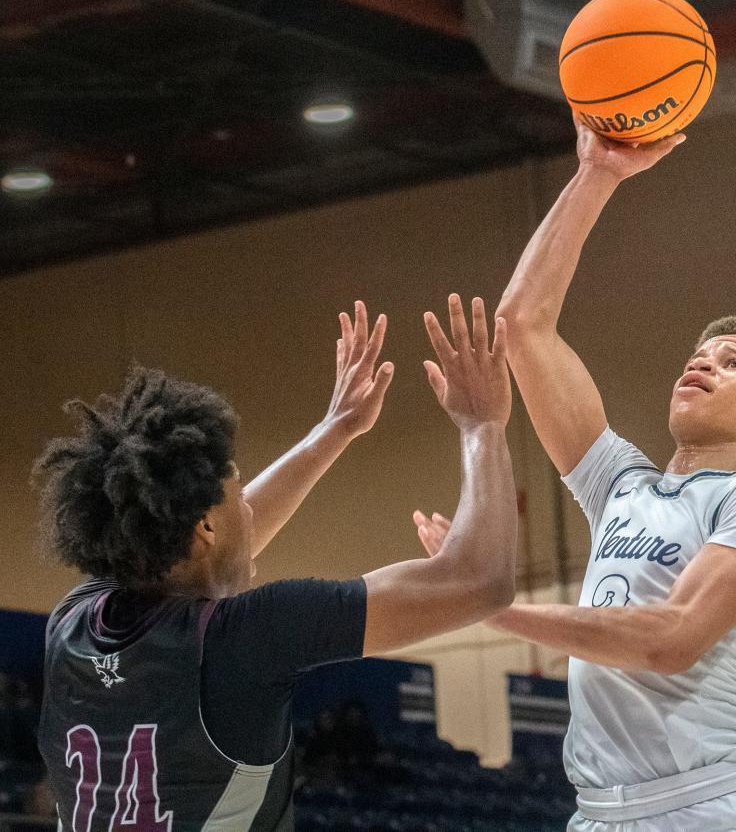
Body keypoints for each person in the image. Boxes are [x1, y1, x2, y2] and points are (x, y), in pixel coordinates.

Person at [415, 122, 736, 832]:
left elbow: (672, 638)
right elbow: (522, 325)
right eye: (699, 353)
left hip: (710, 810)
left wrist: (495, 605)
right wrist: (596, 174)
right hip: (599, 813)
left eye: (732, 362)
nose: (702, 363)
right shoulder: (624, 487)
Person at [35, 296, 517, 831]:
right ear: (206, 528)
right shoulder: (242, 641)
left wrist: (336, 429)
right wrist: (482, 428)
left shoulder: (73, 621)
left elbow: (198, 550)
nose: (250, 508)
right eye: (238, 494)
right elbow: (481, 580)